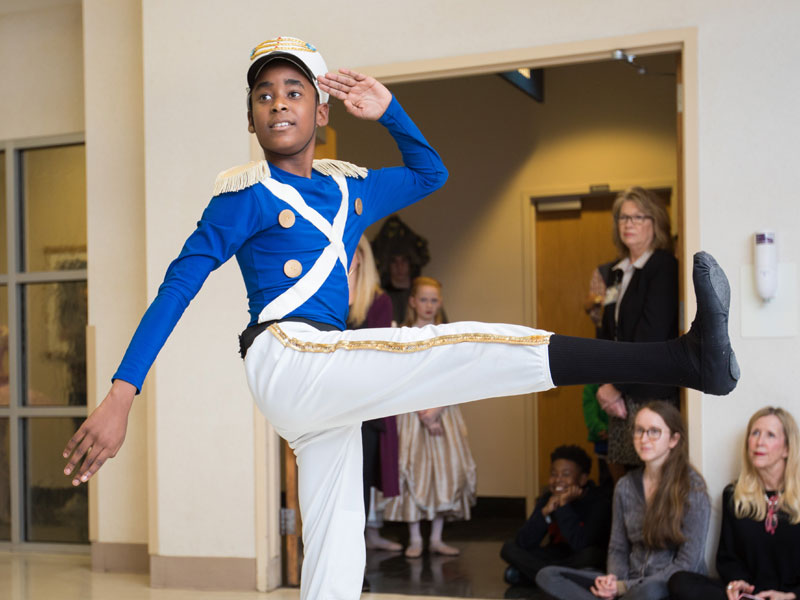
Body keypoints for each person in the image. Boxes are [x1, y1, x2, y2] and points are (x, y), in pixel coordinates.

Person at [61, 36, 738, 600]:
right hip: (288, 356)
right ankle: (684, 361)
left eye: (294, 91)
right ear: (251, 119)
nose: (277, 104)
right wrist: (123, 394)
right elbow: (177, 288)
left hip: (325, 378)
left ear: (322, 111)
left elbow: (429, 172)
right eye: (264, 95)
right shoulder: (241, 198)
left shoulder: (350, 186)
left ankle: (690, 360)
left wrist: (390, 110)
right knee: (462, 345)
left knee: (334, 549)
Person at [536, 401, 710, 600]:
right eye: (639, 431)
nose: (644, 438)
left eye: (654, 431)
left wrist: (624, 587)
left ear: (673, 439)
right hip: (626, 585)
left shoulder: (693, 489)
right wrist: (613, 581)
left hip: (665, 588)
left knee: (649, 591)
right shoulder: (625, 486)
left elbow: (688, 564)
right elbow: (618, 547)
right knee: (548, 576)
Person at [382, 276, 477, 558]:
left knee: (443, 471)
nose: (428, 305)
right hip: (411, 414)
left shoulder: (447, 334)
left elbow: (454, 376)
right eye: (423, 299)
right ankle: (414, 538)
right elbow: (398, 375)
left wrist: (435, 411)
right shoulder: (402, 333)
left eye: (434, 300)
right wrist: (421, 411)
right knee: (410, 469)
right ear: (413, 301)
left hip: (441, 411)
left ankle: (436, 537)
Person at [668, 407, 800, 600]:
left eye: (770, 435)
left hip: (789, 597)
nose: (759, 442)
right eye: (755, 433)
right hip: (750, 595)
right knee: (680, 582)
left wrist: (791, 596)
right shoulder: (734, 495)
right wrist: (738, 582)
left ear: (787, 449)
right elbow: (728, 557)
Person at [595, 188, 680, 480]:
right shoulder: (617, 272)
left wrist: (616, 386)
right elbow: (608, 334)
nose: (628, 224)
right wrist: (605, 384)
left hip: (648, 394)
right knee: (627, 482)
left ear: (655, 223)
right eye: (622, 218)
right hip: (619, 396)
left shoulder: (663, 266)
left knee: (653, 479)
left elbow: (651, 335)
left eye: (637, 217)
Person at [347, 235, 402, 553]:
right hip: (330, 406)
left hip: (365, 411)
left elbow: (374, 354)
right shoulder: (327, 295)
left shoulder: (378, 301)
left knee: (360, 485)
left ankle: (358, 564)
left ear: (362, 257)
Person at [501, 445, 611, 589]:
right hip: (557, 556)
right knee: (509, 548)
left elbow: (581, 544)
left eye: (565, 474)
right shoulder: (548, 498)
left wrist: (564, 506)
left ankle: (533, 576)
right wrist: (545, 513)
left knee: (592, 556)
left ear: (583, 479)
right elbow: (524, 542)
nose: (558, 480)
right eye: (553, 474)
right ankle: (558, 579)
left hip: (580, 556)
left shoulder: (599, 502)